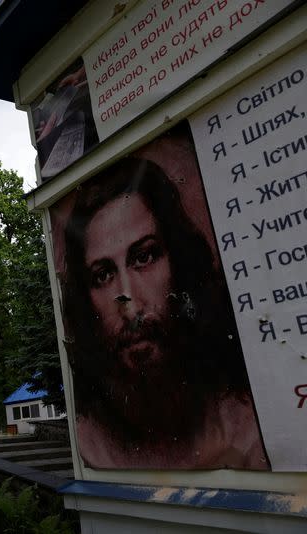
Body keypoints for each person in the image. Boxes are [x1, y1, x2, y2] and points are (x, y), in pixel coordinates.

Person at [60, 156, 269, 470]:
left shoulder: (248, 424)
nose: (129, 303)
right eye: (103, 275)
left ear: (179, 259)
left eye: (144, 257)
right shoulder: (93, 445)